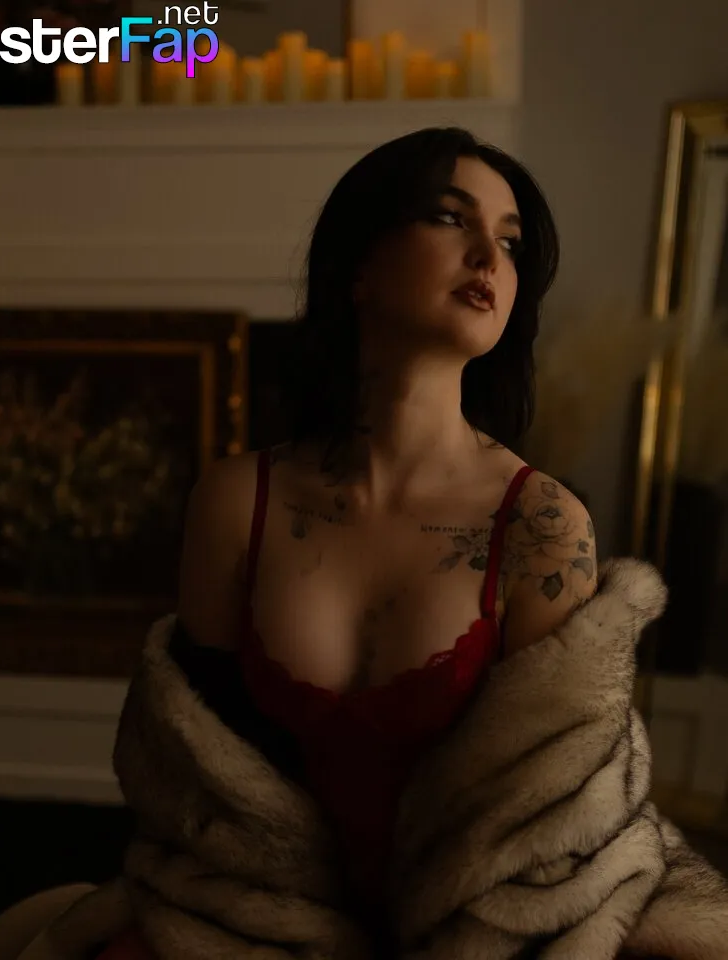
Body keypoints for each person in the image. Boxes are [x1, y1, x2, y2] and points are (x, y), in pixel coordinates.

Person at [51, 128, 726, 960]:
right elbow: (199, 789)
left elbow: (547, 833)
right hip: (252, 923)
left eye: (511, 242)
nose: (488, 256)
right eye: (450, 217)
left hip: (503, 926)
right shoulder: (236, 502)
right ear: (358, 267)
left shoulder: (542, 526)